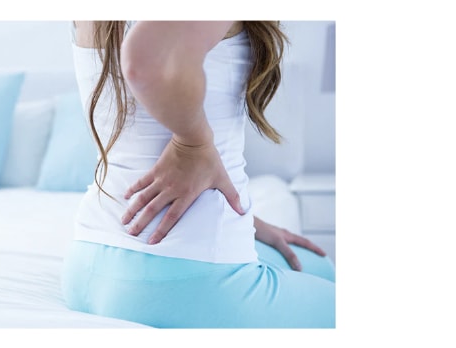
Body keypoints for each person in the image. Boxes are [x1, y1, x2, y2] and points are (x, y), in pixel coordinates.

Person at [62, 21, 333, 328]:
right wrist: (192, 142)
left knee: (318, 266)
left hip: (86, 265)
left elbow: (136, 139)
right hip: (185, 279)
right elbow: (147, 59)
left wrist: (244, 218)